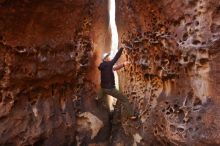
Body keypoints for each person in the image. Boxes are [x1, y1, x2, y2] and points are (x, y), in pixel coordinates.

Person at [97, 47, 136, 120]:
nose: (110, 57)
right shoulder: (109, 64)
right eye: (108, 57)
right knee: (124, 99)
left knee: (99, 96)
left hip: (103, 88)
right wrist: (121, 48)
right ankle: (131, 115)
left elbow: (114, 68)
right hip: (110, 89)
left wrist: (123, 64)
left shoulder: (103, 65)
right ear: (106, 59)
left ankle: (97, 98)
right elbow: (116, 57)